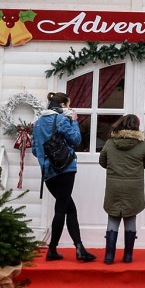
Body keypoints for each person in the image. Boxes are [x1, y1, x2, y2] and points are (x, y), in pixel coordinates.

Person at [33, 92, 96, 262]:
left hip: (48, 173)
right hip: (65, 169)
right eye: (68, 105)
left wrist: (45, 161)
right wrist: (74, 121)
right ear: (62, 106)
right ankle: (54, 249)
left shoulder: (37, 123)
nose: (70, 108)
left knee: (69, 208)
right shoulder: (61, 120)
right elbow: (75, 140)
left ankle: (78, 247)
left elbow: (34, 149)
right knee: (62, 209)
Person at [98, 114, 145, 264]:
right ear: (137, 127)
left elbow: (102, 162)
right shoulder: (142, 145)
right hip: (133, 187)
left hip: (114, 186)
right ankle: (128, 256)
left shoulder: (110, 143)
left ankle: (109, 256)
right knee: (131, 216)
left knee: (113, 217)